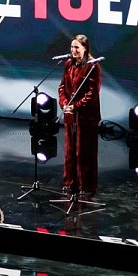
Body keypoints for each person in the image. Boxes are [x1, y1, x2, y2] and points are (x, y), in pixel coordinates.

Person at [56, 34, 102, 203]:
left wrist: (76, 106)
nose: (73, 50)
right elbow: (62, 87)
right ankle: (70, 182)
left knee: (84, 151)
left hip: (86, 116)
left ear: (85, 48)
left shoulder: (92, 66)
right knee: (69, 150)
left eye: (77, 47)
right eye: (72, 47)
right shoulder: (68, 64)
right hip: (70, 114)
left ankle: (86, 185)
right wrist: (64, 104)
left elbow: (92, 92)